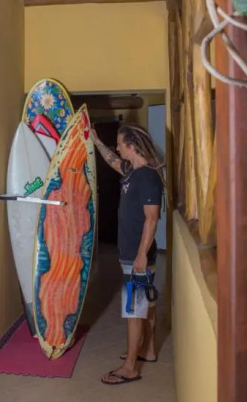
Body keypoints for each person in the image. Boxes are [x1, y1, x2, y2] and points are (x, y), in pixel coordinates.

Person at [91, 122, 166, 386]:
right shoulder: (133, 171)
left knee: (134, 311)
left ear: (131, 146)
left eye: (120, 144)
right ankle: (149, 350)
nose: (117, 148)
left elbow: (152, 218)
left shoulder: (146, 177)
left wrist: (141, 255)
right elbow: (112, 161)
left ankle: (131, 367)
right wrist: (96, 142)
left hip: (137, 256)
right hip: (134, 253)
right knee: (146, 305)